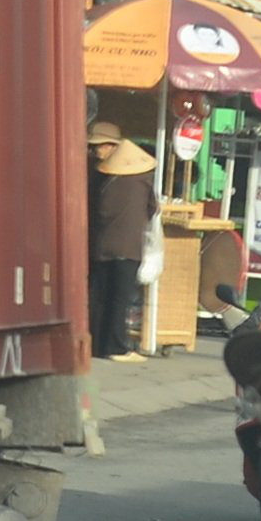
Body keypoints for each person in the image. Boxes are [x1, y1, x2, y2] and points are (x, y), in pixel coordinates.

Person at [89, 124, 157, 361]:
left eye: (100, 146)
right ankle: (116, 347)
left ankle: (98, 344)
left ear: (112, 147)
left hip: (100, 245)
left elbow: (98, 210)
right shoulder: (142, 178)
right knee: (119, 299)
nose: (97, 152)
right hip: (128, 247)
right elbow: (152, 208)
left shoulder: (97, 177)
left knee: (100, 297)